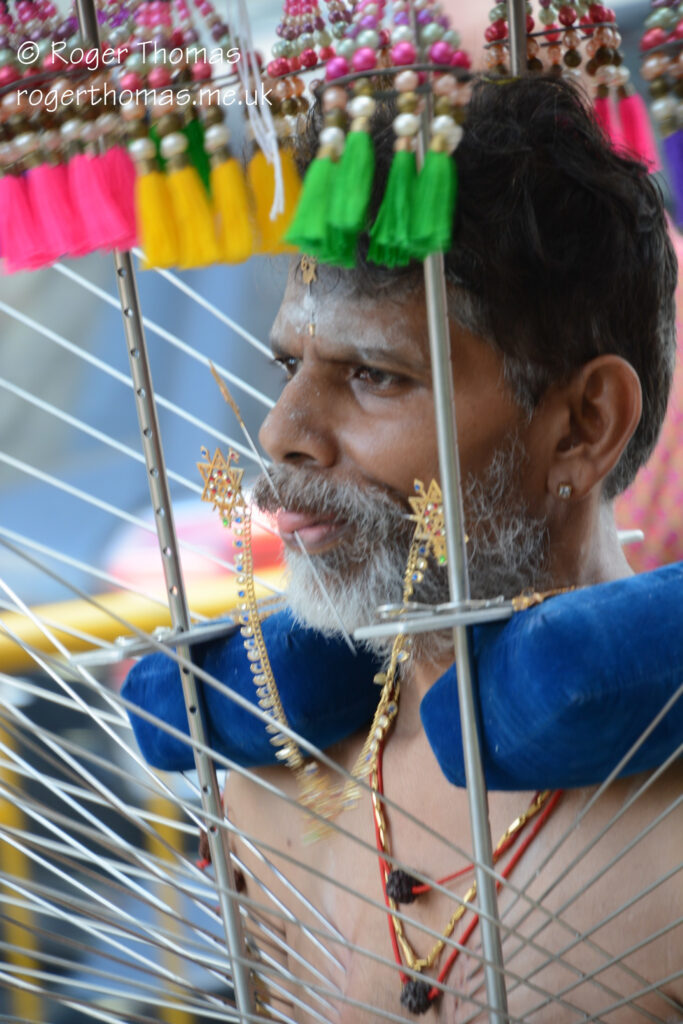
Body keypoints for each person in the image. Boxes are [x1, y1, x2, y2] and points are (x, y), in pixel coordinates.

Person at [219, 75, 682, 1023]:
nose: (282, 432)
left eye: (374, 374)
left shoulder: (665, 828)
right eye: (288, 368)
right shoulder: (267, 793)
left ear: (583, 424)